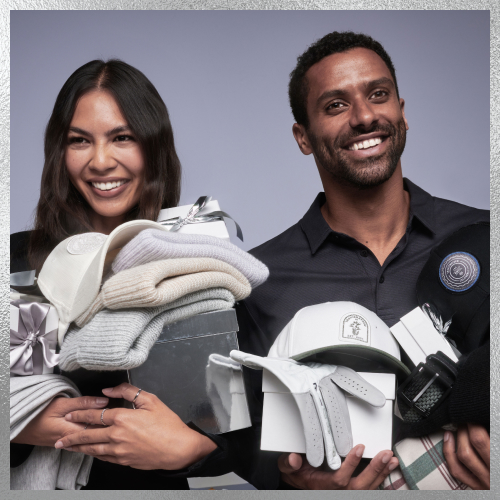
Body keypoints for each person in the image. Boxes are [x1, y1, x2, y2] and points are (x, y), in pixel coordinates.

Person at [230, 31, 489, 490]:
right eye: (335, 105)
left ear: (402, 114)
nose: (365, 116)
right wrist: (294, 482)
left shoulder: (485, 236)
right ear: (303, 137)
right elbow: (246, 444)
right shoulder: (258, 281)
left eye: (378, 95)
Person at [10, 59, 227, 490]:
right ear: (60, 151)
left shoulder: (193, 258)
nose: (101, 161)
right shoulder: (22, 258)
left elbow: (227, 428)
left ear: (153, 146)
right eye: (80, 141)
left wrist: (196, 450)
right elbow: (17, 382)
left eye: (122, 137)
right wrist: (15, 422)